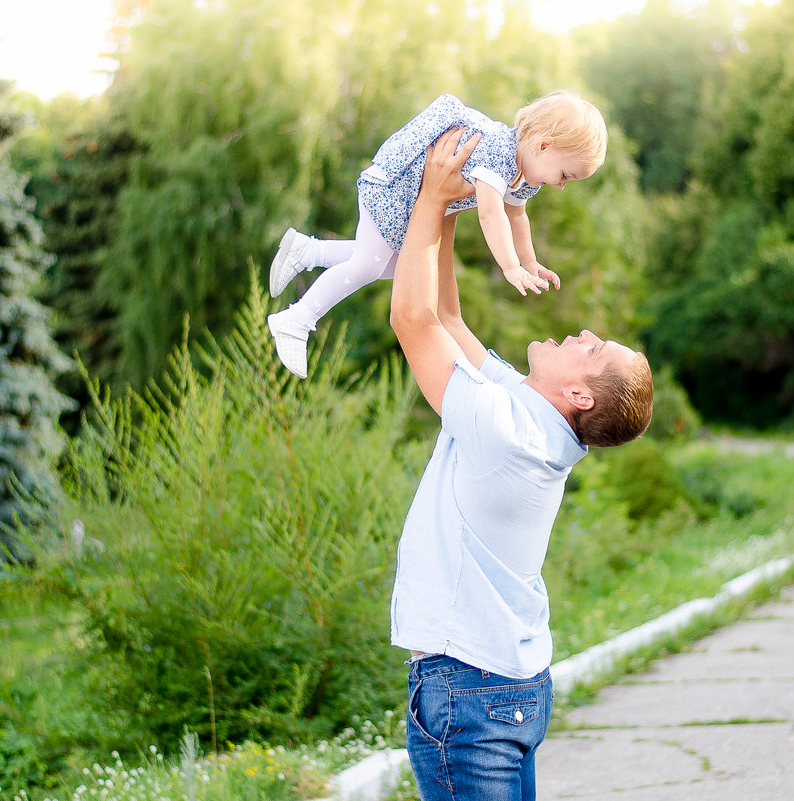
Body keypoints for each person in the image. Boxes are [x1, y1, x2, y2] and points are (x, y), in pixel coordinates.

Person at [387, 127, 653, 801]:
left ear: (579, 394)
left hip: (468, 687)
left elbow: (414, 321)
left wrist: (424, 202)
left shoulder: (509, 431)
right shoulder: (524, 412)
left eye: (595, 349)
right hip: (504, 686)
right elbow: (447, 313)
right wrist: (447, 205)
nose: (585, 333)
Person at [267, 91, 607, 378]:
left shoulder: (526, 176)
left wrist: (530, 262)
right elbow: (491, 214)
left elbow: (516, 216)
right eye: (565, 174)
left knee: (395, 267)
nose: (561, 186)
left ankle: (307, 252)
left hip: (412, 203)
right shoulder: (499, 153)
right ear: (544, 146)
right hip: (394, 191)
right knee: (369, 266)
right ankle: (296, 319)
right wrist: (510, 267)